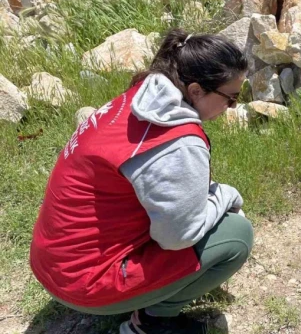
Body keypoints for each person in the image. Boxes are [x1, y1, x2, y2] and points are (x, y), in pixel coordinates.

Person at [30, 28, 252, 334]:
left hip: (54, 264)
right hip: (83, 283)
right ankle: (151, 323)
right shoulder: (178, 142)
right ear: (197, 90)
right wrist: (226, 196)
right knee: (236, 234)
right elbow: (178, 237)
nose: (233, 107)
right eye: (232, 98)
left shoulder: (140, 98)